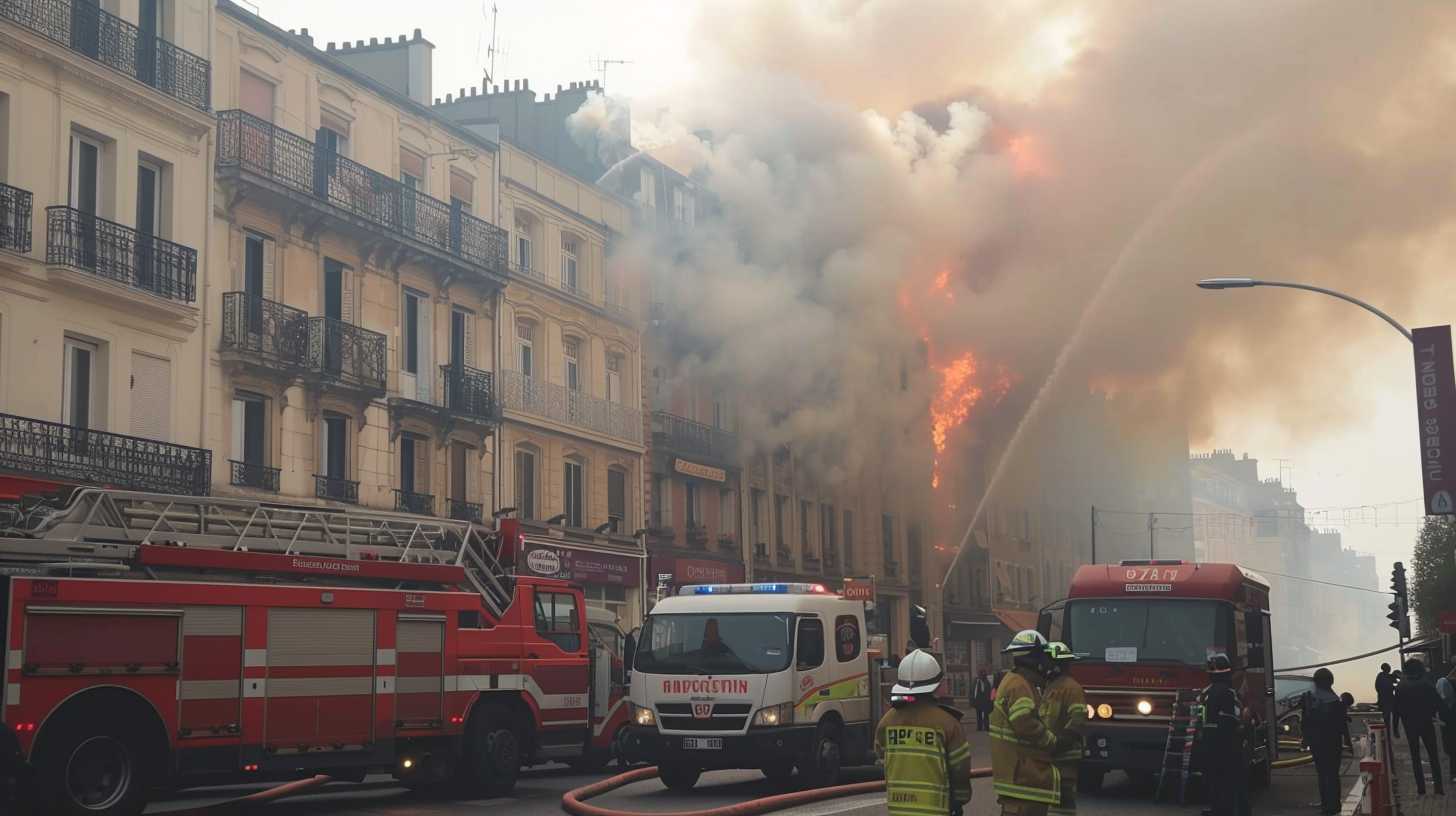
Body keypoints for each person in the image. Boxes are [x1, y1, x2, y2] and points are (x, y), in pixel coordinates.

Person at [876, 650, 973, 816]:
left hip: (897, 810)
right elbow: (960, 768)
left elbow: (881, 757)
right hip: (936, 810)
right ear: (936, 686)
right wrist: (960, 799)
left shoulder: (886, 721)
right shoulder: (948, 723)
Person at [990, 629, 1060, 816]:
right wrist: (1051, 740)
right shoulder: (1019, 686)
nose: (1046, 665)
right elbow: (1024, 723)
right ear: (1032, 660)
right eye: (1043, 658)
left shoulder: (1016, 682)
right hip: (1023, 776)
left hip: (1019, 774)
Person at [1196, 653, 1251, 816]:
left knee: (1214, 779)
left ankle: (1216, 809)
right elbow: (1234, 720)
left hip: (1207, 743)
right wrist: (1245, 718)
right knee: (1235, 780)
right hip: (1228, 745)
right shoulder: (1229, 693)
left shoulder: (1205, 693)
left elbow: (1200, 717)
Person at [1041, 643, 1086, 815]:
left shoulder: (1071, 687)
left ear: (1057, 664)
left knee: (1064, 803)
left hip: (1066, 757)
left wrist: (1060, 743)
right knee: (1051, 803)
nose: (1043, 665)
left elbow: (1078, 720)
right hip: (1051, 755)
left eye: (1047, 661)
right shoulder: (1050, 686)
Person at [1393, 658, 1445, 796]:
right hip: (1426, 723)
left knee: (1415, 757)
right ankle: (1438, 789)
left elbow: (1396, 709)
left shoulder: (1400, 687)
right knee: (1433, 756)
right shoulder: (1426, 684)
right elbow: (1439, 704)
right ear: (1420, 669)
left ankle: (1421, 789)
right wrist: (1434, 713)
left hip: (1409, 726)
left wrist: (1395, 728)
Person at [1302, 668, 1345, 815]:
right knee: (1333, 774)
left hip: (1316, 743)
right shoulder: (1336, 701)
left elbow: (1305, 722)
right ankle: (1335, 805)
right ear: (1331, 681)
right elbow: (1341, 726)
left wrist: (1305, 740)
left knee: (1322, 773)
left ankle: (1326, 805)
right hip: (1333, 742)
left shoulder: (1308, 698)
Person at [1439, 665, 1456, 783]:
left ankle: (1453, 773)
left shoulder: (1444, 682)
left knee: (1452, 748)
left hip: (1449, 721)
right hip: (1450, 719)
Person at [1377, 663, 1397, 735]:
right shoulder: (1382, 676)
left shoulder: (1383, 676)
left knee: (1392, 715)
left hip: (1387, 699)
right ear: (1386, 668)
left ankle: (1391, 731)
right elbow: (1387, 687)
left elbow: (1395, 680)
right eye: (1389, 667)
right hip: (1386, 700)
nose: (1390, 669)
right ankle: (1389, 732)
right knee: (1388, 717)